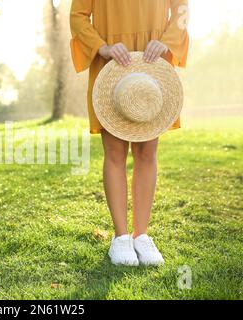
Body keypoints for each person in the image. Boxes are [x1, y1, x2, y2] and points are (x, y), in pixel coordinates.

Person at [70, 0, 189, 266]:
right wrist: (103, 46)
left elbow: (181, 7)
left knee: (147, 151)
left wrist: (167, 40)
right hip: (112, 59)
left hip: (153, 60)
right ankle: (121, 237)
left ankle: (141, 236)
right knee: (114, 153)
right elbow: (78, 16)